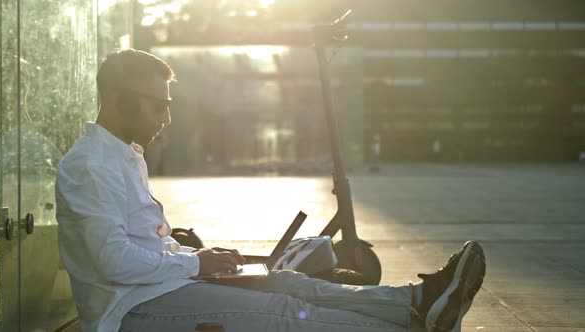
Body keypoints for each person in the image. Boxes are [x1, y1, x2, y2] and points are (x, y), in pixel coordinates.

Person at [55, 49, 486, 332]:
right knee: (284, 317)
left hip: (161, 288)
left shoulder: (122, 155)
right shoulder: (92, 166)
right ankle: (417, 325)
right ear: (115, 96)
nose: (166, 119)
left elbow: (144, 246)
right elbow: (114, 263)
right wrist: (195, 265)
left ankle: (418, 300)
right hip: (131, 310)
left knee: (287, 283)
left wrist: (197, 258)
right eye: (158, 105)